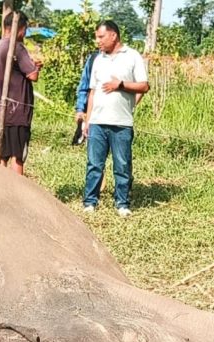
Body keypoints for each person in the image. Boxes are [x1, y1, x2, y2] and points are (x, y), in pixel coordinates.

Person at [82, 20, 149, 216]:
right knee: (94, 164)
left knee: (122, 164)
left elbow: (144, 86)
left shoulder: (132, 56)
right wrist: (88, 119)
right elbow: (92, 92)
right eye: (97, 37)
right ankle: (90, 201)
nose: (98, 41)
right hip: (97, 122)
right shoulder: (98, 59)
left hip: (122, 123)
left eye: (101, 37)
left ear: (113, 35)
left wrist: (120, 85)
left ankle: (122, 203)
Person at [0, 11, 40, 176]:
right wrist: (36, 67)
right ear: (21, 29)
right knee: (17, 156)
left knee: (1, 155)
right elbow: (33, 75)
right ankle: (17, 195)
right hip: (17, 111)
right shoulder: (17, 47)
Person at [72, 51, 95, 146]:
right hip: (90, 105)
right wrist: (80, 109)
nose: (98, 41)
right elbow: (84, 85)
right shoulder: (93, 59)